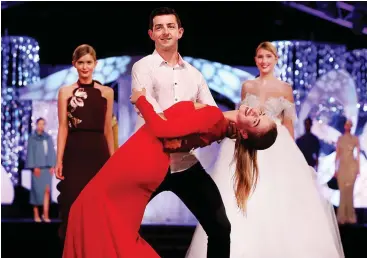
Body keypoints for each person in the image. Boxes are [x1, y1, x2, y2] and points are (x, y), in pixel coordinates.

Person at [61, 87, 277, 258]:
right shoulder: (220, 121)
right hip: (154, 164)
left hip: (159, 164)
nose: (255, 111)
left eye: (256, 120)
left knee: (219, 227)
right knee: (114, 222)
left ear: (245, 135)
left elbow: (164, 130)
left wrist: (142, 100)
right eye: (261, 113)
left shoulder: (215, 119)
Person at [186, 42, 344, 258]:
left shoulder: (285, 88)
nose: (264, 61)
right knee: (238, 192)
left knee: (276, 196)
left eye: (268, 57)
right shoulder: (248, 86)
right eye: (260, 57)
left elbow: (288, 124)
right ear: (255, 59)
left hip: (276, 145)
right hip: (245, 144)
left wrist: (294, 157)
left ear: (275, 59)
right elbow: (241, 117)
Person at [131, 7, 232, 257]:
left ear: (180, 31)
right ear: (151, 34)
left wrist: (193, 121)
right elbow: (152, 115)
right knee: (122, 224)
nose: (165, 31)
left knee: (220, 226)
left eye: (170, 26)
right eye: (159, 27)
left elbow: (212, 115)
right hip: (149, 163)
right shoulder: (142, 67)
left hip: (185, 162)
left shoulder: (195, 75)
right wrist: (190, 116)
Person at [55, 44, 114, 242]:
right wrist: (59, 160)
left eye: (89, 62)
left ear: (95, 64)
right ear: (74, 64)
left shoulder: (106, 92)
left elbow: (107, 128)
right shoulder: (65, 92)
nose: (85, 67)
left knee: (98, 205)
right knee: (72, 202)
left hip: (98, 152)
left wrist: (113, 160)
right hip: (74, 152)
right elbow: (63, 127)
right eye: (81, 62)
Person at [25, 117, 56, 222]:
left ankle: (46, 215)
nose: (41, 126)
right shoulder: (32, 138)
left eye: (43, 124)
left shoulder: (48, 138)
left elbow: (51, 152)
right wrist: (34, 167)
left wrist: (52, 165)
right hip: (37, 169)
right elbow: (30, 153)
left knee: (47, 191)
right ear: (36, 125)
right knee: (36, 192)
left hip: (47, 169)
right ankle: (36, 215)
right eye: (39, 124)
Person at [335, 119, 360, 224]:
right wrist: (335, 170)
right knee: (342, 191)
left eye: (350, 125)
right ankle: (341, 216)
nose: (348, 126)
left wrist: (358, 169)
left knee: (350, 191)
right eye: (346, 124)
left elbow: (357, 155)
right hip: (342, 167)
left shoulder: (355, 139)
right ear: (344, 126)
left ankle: (350, 216)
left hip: (351, 167)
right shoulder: (340, 139)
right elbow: (337, 155)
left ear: (351, 126)